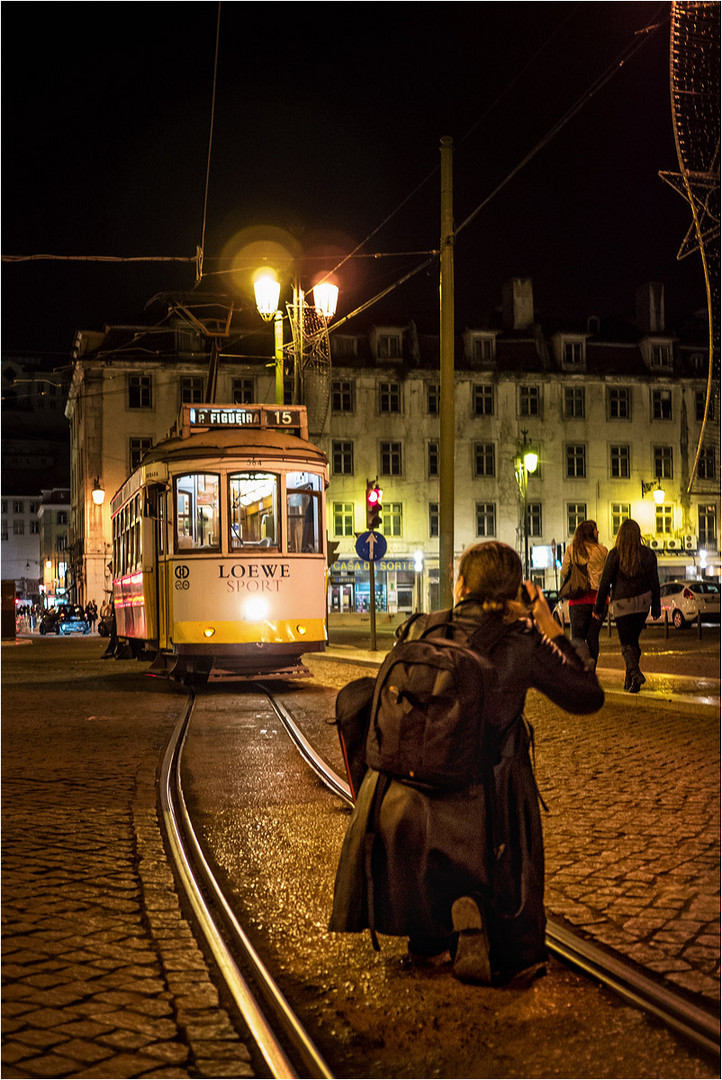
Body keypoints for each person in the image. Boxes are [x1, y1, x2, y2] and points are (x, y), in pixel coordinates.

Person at [329, 541, 604, 986]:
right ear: (517, 591)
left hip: (401, 808)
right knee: (509, 764)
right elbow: (587, 696)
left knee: (421, 800)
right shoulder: (523, 640)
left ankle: (427, 935)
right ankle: (503, 936)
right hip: (486, 811)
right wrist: (549, 626)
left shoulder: (421, 629)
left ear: (460, 584)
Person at [593, 518, 660, 693]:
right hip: (643, 602)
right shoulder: (648, 554)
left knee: (626, 643)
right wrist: (656, 606)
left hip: (622, 603)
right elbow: (655, 582)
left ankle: (636, 673)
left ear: (621, 535)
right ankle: (630, 681)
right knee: (633, 641)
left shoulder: (615, 554)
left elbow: (605, 583)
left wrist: (598, 608)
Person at [559, 520, 608, 669]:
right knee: (593, 636)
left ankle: (584, 665)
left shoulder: (572, 550)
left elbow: (564, 573)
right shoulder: (603, 551)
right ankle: (592, 666)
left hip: (578, 600)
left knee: (578, 637)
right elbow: (607, 574)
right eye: (595, 530)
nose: (598, 532)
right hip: (599, 601)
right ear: (590, 532)